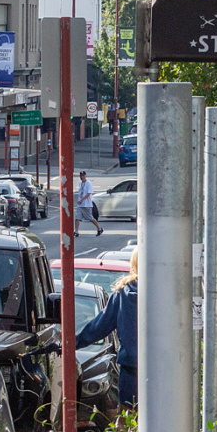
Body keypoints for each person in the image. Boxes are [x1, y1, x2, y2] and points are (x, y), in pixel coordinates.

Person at [76, 250, 138, 406]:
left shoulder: (123, 295)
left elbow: (99, 327)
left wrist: (72, 343)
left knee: (130, 413)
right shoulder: (167, 293)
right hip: (163, 365)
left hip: (131, 367)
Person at [75, 171, 102, 237]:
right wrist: (79, 200)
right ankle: (76, 231)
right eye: (81, 176)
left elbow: (89, 193)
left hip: (87, 204)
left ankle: (99, 228)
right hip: (80, 204)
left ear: (85, 176)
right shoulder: (80, 183)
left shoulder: (88, 183)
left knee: (90, 218)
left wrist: (82, 199)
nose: (82, 177)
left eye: (83, 175)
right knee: (77, 217)